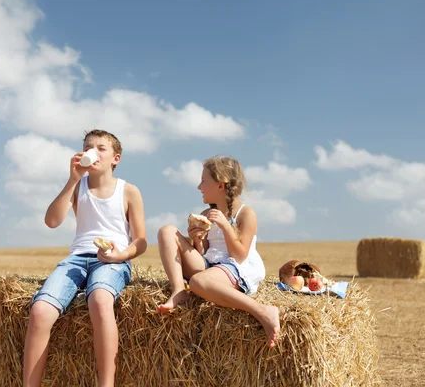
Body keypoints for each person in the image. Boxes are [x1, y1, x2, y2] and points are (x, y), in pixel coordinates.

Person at [23, 129, 147, 387]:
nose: (93, 151)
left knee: (101, 300)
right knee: (40, 311)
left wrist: (120, 255)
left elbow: (141, 241)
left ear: (116, 158)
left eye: (101, 148)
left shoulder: (128, 191)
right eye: (89, 147)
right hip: (77, 259)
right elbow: (52, 221)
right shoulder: (77, 187)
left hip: (112, 260)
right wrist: (72, 179)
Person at [156, 155, 280, 348]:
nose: (199, 187)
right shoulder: (205, 214)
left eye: (204, 181)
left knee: (199, 281)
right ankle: (179, 290)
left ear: (220, 185)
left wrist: (226, 226)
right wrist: (197, 240)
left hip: (235, 265)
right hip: (211, 264)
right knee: (166, 231)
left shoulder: (246, 214)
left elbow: (240, 255)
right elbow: (204, 253)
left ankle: (262, 310)